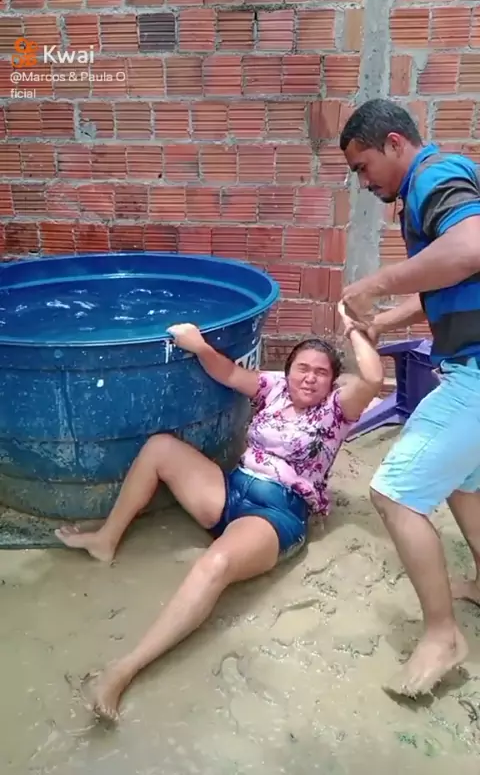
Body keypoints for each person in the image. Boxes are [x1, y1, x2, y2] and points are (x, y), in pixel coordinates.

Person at [55, 303, 383, 721]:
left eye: (320, 372)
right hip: (231, 491)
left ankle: (125, 668)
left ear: (332, 381)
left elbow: (373, 379)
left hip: (276, 514)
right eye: (302, 368)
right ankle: (106, 539)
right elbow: (228, 373)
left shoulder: (337, 411)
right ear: (289, 370)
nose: (309, 377)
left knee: (216, 563)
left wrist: (353, 328)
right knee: (160, 448)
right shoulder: (274, 388)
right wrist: (198, 346)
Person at [339, 97, 480, 699]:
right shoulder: (438, 180)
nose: (363, 182)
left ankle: (443, 636)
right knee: (464, 481)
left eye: (364, 166)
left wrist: (373, 284)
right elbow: (449, 279)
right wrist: (383, 322)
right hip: (469, 366)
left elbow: (471, 248)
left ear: (394, 143)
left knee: (393, 492)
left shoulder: (433, 176)